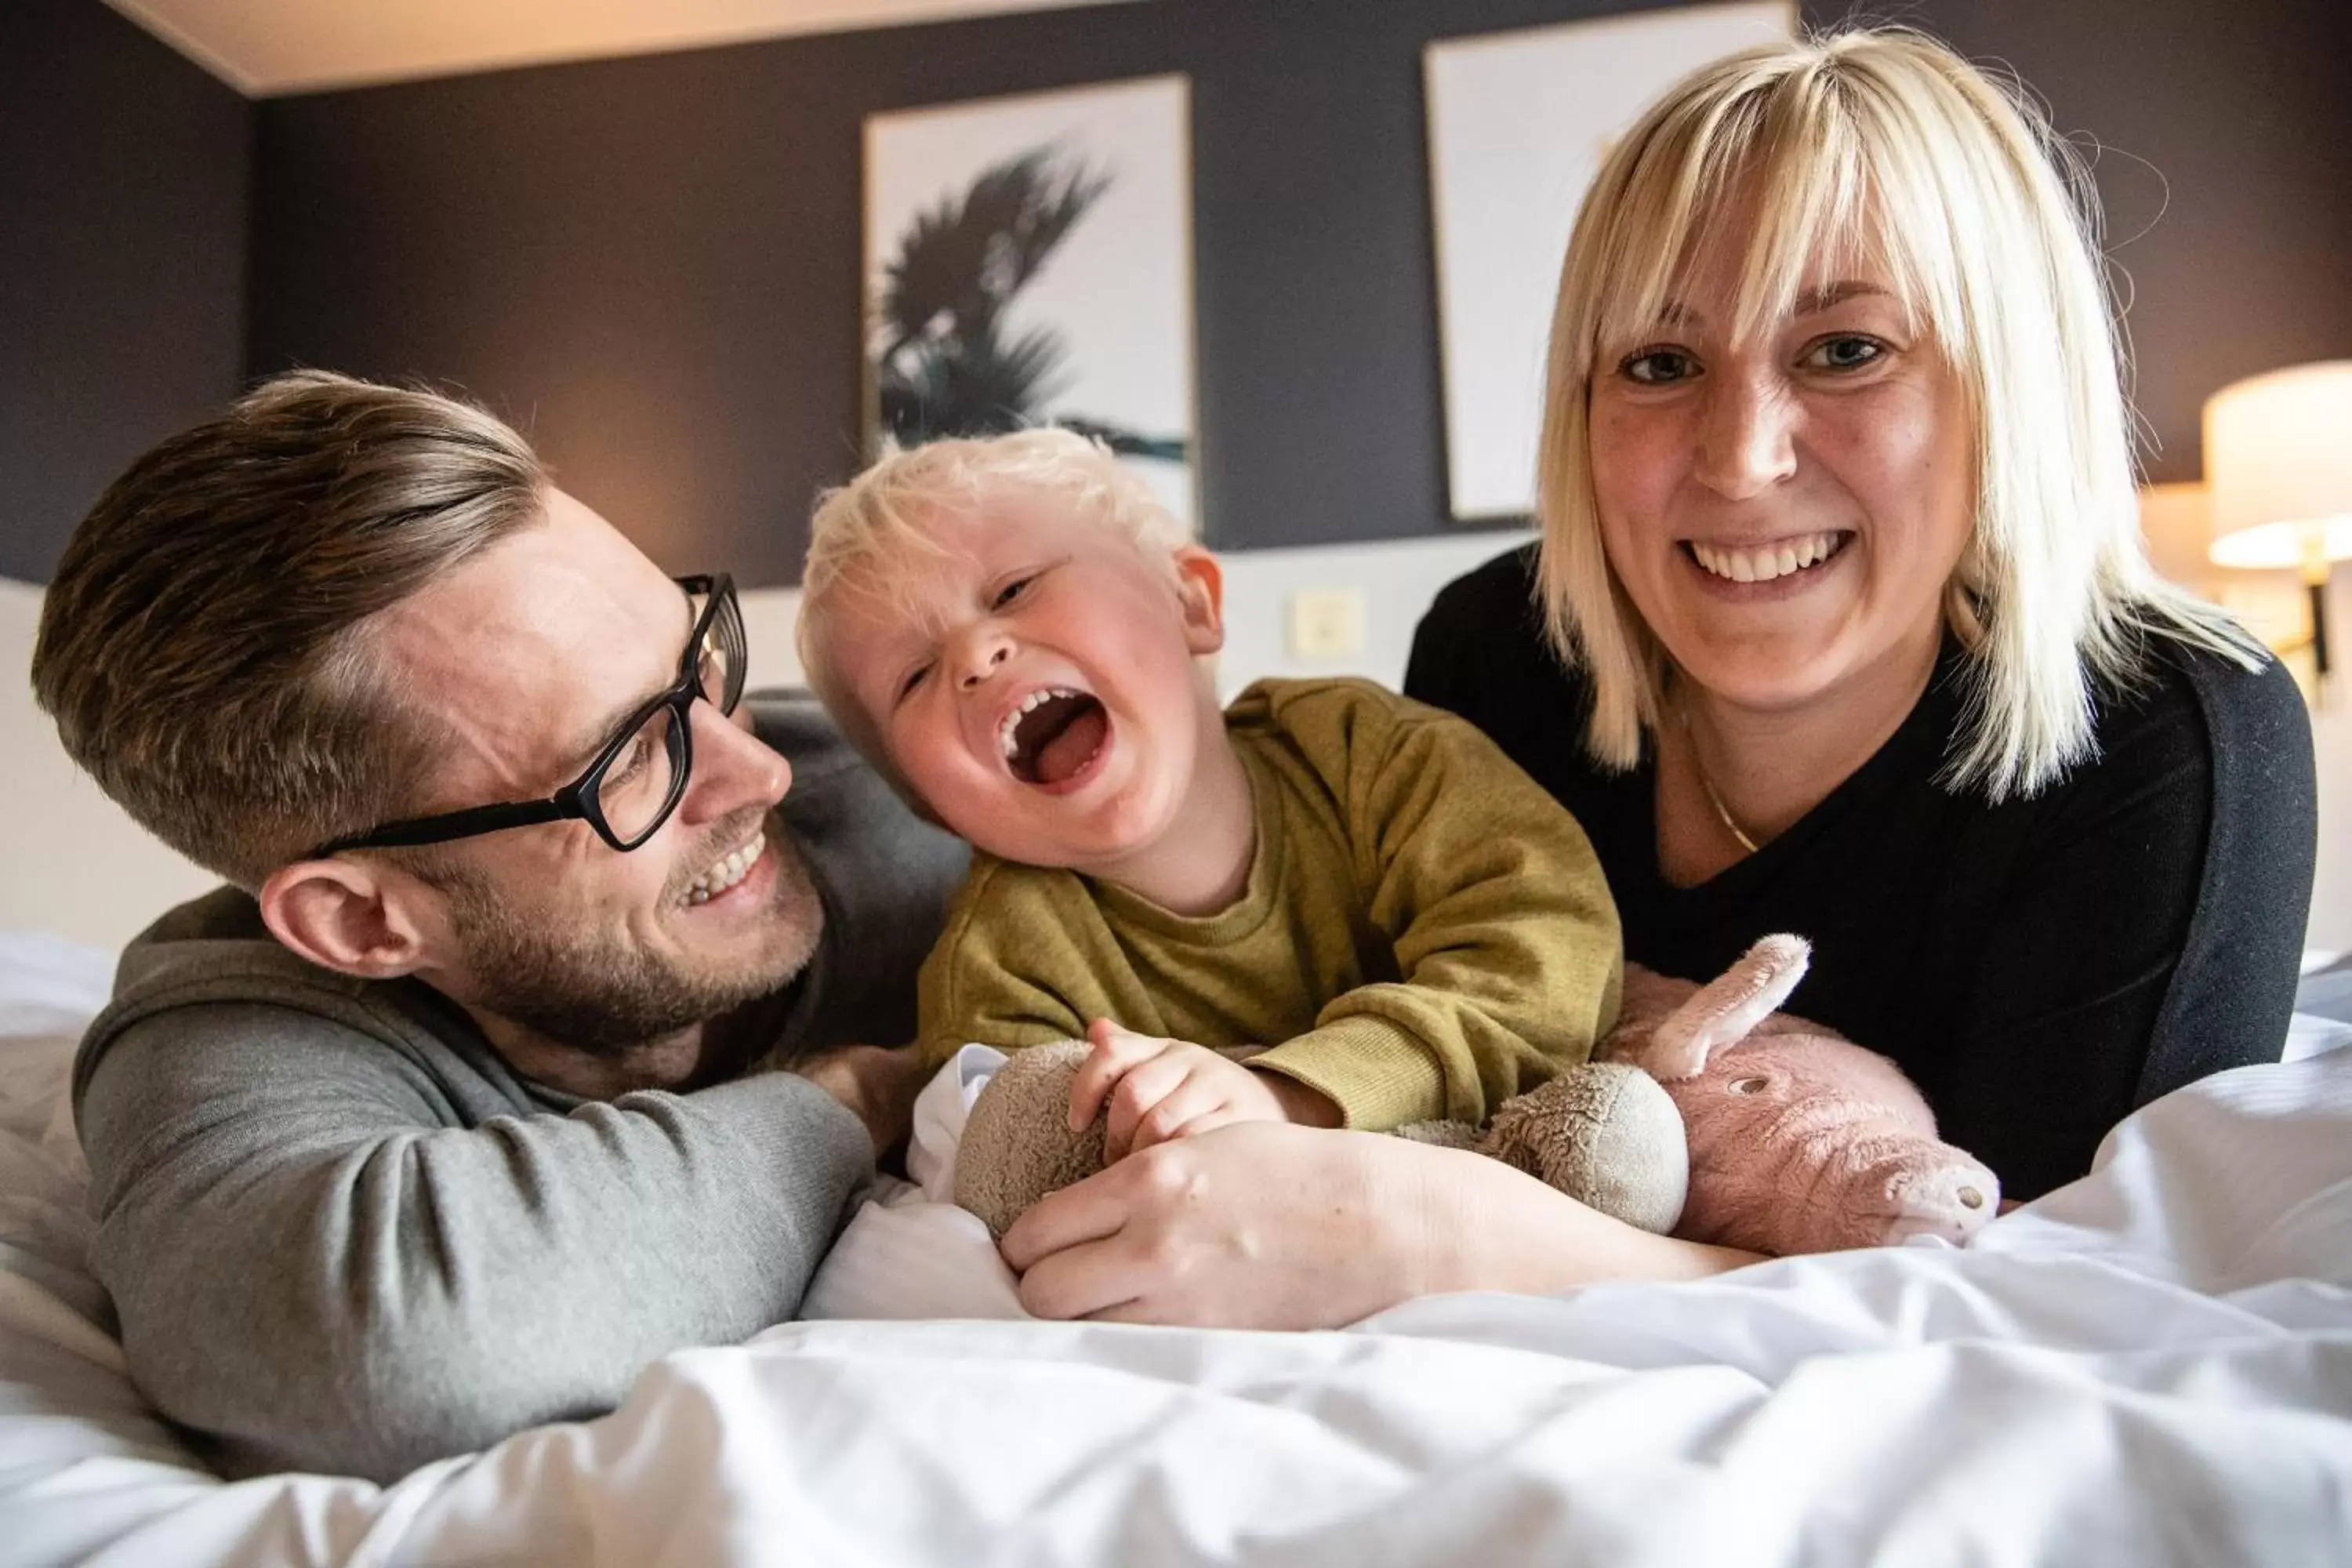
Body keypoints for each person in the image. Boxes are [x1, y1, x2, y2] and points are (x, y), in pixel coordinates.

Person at [993, 25, 2318, 1326]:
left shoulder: (2179, 733)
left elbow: (2074, 1301)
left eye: (1845, 349)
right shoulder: (1499, 652)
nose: (1740, 459)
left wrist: (1445, 1235)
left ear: (2004, 387)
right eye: (1661, 364)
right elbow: (1397, 1021)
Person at [30, 372, 968, 1482]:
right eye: (625, 762)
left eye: (699, 663)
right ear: (363, 923)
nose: (755, 771)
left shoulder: (932, 794)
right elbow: (395, 1352)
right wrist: (866, 1095)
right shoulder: (238, 1022)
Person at [795, 429, 1621, 1159]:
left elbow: (1547, 944)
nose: (975, 657)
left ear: (1191, 602)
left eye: (1014, 588)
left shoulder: (1364, 751)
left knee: (1624, 1136)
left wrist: (1291, 1094)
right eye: (914, 677)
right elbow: (1025, 1163)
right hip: (1248, 1245)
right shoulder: (999, 964)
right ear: (932, 806)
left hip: (1485, 1166)